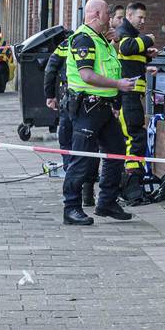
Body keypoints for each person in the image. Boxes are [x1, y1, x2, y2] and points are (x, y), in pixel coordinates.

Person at [62, 0, 137, 225]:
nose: (111, 17)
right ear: (96, 14)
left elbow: (108, 67)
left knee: (116, 151)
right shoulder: (83, 39)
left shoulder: (101, 41)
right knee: (82, 159)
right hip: (86, 107)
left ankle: (107, 202)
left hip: (103, 108)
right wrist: (118, 85)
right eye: (107, 13)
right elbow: (87, 76)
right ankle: (71, 207)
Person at [45, 30, 96, 207]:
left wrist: (50, 95)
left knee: (67, 140)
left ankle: (73, 180)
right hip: (93, 103)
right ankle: (87, 190)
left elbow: (51, 68)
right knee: (89, 144)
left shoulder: (65, 45)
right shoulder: (96, 44)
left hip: (70, 100)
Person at [116, 2, 158, 204]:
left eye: (144, 18)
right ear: (129, 15)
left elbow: (129, 57)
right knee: (134, 138)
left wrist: (146, 56)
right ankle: (131, 186)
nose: (143, 21)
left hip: (133, 96)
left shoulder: (130, 33)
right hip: (128, 97)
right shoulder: (125, 31)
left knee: (135, 137)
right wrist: (147, 40)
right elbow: (126, 47)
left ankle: (133, 183)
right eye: (140, 17)